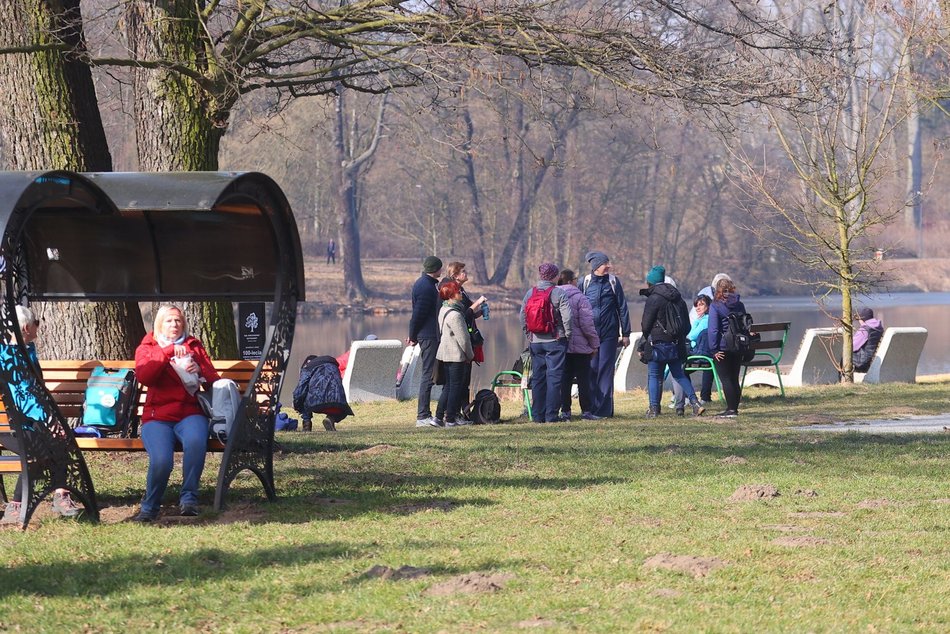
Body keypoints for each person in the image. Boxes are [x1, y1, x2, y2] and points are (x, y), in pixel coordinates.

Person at [133, 305, 220, 521]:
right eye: (169, 321)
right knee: (162, 460)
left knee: (196, 442)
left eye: (178, 321)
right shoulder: (148, 347)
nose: (174, 325)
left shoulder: (194, 346)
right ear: (160, 324)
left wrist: (199, 369)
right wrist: (167, 352)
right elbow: (145, 376)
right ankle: (150, 506)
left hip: (190, 413)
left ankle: (189, 498)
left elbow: (214, 381)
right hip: (157, 417)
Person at [1, 305, 83, 524]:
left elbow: (37, 392)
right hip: (14, 429)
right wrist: (48, 419)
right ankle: (51, 497)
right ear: (27, 327)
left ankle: (55, 496)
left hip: (33, 425)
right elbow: (23, 397)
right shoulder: (8, 357)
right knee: (47, 445)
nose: (39, 326)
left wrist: (50, 420)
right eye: (36, 322)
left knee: (58, 439)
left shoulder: (26, 350)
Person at [639, 266, 705, 418]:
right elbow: (687, 326)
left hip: (657, 344)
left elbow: (645, 325)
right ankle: (695, 403)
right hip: (676, 344)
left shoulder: (653, 299)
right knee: (679, 375)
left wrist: (646, 340)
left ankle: (654, 409)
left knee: (654, 375)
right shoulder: (678, 298)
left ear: (651, 282)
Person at [520, 263, 572, 423]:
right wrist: (567, 334)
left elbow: (522, 315)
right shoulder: (558, 293)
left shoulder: (531, 292)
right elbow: (567, 317)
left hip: (535, 342)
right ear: (555, 276)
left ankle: (537, 416)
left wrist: (528, 333)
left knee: (538, 378)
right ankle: (551, 416)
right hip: (555, 341)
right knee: (554, 378)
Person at [582, 251, 632, 418]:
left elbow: (622, 308)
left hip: (609, 334)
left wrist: (626, 333)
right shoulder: (585, 282)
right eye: (606, 264)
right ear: (597, 266)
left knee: (605, 370)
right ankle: (591, 408)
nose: (609, 266)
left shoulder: (613, 282)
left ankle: (604, 410)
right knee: (591, 369)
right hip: (590, 335)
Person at [555, 269, 600, 421]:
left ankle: (565, 411)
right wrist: (595, 344)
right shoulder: (580, 298)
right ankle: (586, 412)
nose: (577, 281)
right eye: (575, 278)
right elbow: (587, 325)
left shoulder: (553, 295)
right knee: (583, 379)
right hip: (581, 348)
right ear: (569, 281)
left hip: (561, 345)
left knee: (565, 379)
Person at [440, 262, 487, 401]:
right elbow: (461, 315)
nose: (466, 273)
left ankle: (463, 412)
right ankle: (454, 413)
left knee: (464, 381)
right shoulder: (452, 292)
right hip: (458, 344)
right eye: (463, 271)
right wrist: (478, 302)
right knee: (458, 381)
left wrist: (479, 313)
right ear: (455, 275)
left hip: (467, 336)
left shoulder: (462, 291)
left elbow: (468, 314)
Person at [433, 280, 475, 427]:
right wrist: (470, 355)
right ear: (451, 295)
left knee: (449, 386)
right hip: (456, 355)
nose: (461, 294)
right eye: (458, 292)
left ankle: (438, 417)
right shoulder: (456, 315)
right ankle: (450, 419)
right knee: (455, 387)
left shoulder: (443, 310)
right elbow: (464, 339)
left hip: (444, 354)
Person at [408, 256, 443, 428]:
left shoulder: (427, 284)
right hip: (428, 336)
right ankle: (422, 415)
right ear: (436, 269)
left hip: (427, 334)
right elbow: (418, 315)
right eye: (440, 268)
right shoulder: (426, 287)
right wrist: (412, 335)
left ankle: (427, 414)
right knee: (428, 375)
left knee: (430, 374)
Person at [707, 278, 748, 418]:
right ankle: (734, 408)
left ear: (718, 290)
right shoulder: (740, 305)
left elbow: (713, 330)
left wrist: (714, 350)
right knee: (734, 378)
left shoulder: (715, 306)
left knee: (726, 379)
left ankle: (731, 410)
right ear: (732, 289)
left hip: (723, 347)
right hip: (737, 346)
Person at [671, 294, 715, 413]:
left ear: (708, 306)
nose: (697, 308)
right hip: (706, 353)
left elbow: (692, 335)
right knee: (681, 369)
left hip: (702, 354)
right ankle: (692, 397)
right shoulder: (703, 319)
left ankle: (683, 398)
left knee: (678, 369)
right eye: (696, 305)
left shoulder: (706, 320)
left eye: (701, 305)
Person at [293, 355, 354, 432]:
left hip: (316, 402)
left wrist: (297, 405)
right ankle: (330, 418)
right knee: (342, 407)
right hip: (339, 405)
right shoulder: (334, 366)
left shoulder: (308, 367)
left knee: (302, 396)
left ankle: (306, 424)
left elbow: (300, 391)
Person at [852, 308, 884, 373]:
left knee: (842, 354)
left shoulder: (864, 330)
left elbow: (852, 346)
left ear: (862, 319)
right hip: (868, 360)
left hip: (860, 361)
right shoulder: (878, 328)